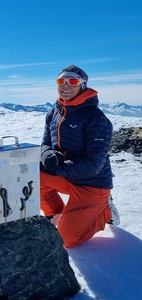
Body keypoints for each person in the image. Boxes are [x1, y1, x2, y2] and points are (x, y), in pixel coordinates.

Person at [39, 65, 120, 248]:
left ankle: (105, 211)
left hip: (92, 183)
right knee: (32, 176)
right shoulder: (54, 112)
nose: (66, 86)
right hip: (68, 178)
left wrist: (56, 167)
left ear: (82, 85)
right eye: (61, 81)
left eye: (73, 81)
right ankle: (57, 214)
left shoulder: (96, 118)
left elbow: (94, 164)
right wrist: (47, 154)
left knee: (66, 241)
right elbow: (44, 143)